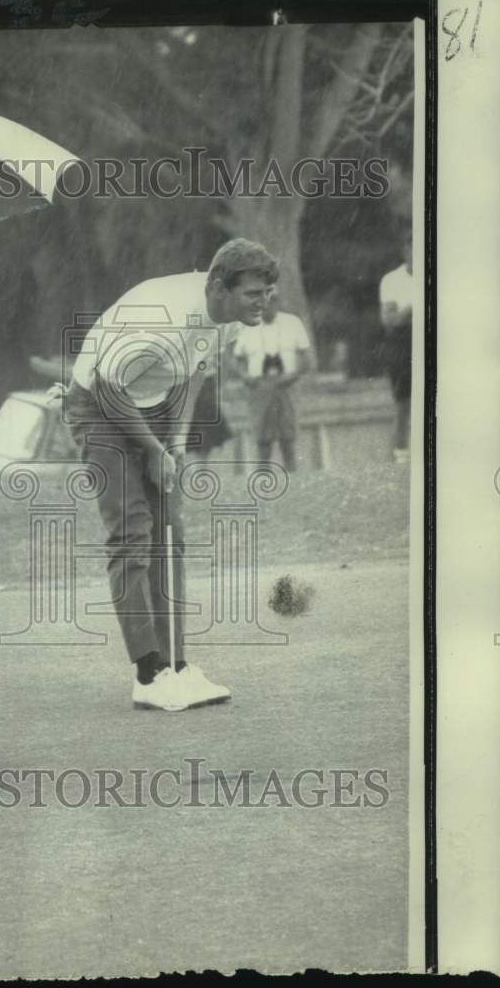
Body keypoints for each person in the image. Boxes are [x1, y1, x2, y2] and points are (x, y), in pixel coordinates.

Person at [65, 239, 278, 711]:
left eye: (268, 293)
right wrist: (153, 447)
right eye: (253, 294)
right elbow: (106, 387)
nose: (263, 302)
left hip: (153, 404)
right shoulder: (163, 320)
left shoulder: (227, 321)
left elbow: (192, 375)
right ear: (218, 287)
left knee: (170, 532)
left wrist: (176, 444)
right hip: (98, 406)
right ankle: (147, 675)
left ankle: (176, 665)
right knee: (132, 532)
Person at [232, 291, 313, 471]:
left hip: (286, 384)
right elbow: (237, 359)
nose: (268, 305)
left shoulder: (292, 323)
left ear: (278, 302)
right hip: (259, 386)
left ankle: (293, 484)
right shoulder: (247, 325)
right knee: (263, 440)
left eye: (272, 301)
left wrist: (293, 376)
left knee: (288, 438)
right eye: (263, 301)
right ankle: (263, 484)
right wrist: (245, 377)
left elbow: (307, 360)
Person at [379, 235, 413, 462]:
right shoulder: (392, 280)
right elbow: (389, 319)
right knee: (404, 404)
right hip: (403, 344)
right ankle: (401, 459)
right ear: (406, 250)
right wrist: (410, 311)